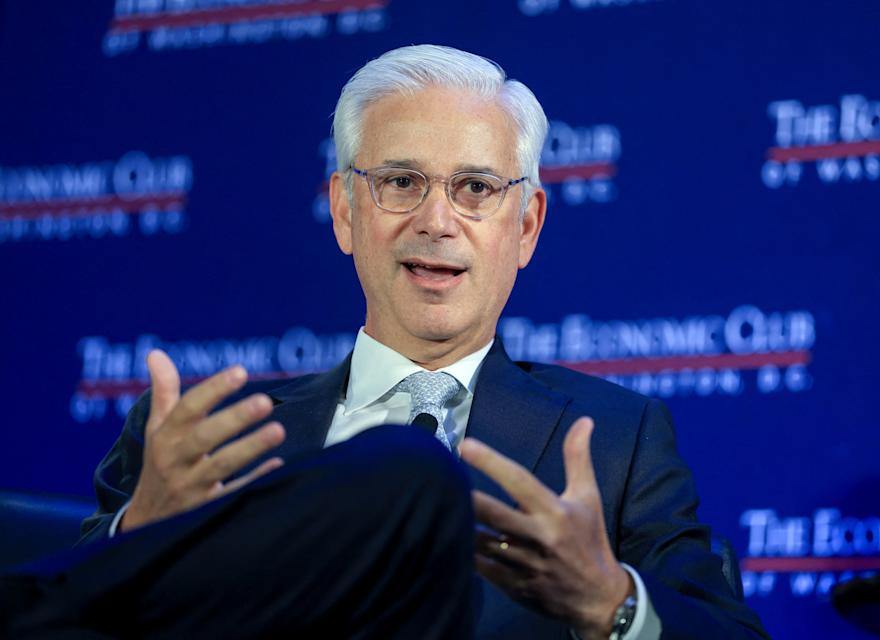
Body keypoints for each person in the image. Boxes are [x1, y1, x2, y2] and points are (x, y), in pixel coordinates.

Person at [11, 45, 768, 639]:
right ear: (344, 209)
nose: (436, 221)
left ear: (527, 225)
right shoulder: (205, 439)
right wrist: (140, 531)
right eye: (401, 182)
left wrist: (610, 602)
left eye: (475, 189)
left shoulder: (617, 443)